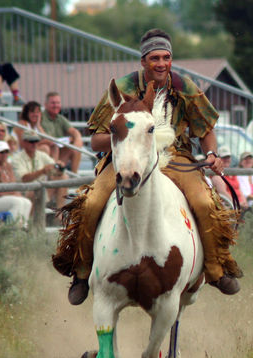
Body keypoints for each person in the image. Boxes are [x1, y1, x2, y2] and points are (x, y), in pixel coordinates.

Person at [52, 28, 242, 306]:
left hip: (175, 157)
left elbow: (206, 130)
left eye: (166, 57)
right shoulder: (123, 88)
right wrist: (123, 136)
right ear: (143, 61)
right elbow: (95, 140)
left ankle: (215, 268)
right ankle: (81, 272)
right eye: (155, 58)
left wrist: (212, 152)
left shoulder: (185, 87)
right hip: (128, 157)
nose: (162, 63)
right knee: (91, 203)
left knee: (204, 202)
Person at [11, 131, 68, 210]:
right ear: (23, 143)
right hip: (25, 192)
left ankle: (60, 213)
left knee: (63, 177)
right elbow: (24, 179)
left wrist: (60, 168)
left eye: (36, 141)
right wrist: (42, 171)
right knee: (35, 191)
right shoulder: (17, 159)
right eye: (31, 141)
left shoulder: (41, 155)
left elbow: (55, 169)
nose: (34, 144)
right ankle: (31, 221)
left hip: (42, 190)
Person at [0, 140, 32, 226]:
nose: (4, 154)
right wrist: (13, 193)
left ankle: (23, 229)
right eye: (1, 152)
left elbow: (14, 185)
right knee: (17, 202)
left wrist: (14, 193)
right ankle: (12, 230)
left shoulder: (8, 165)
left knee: (27, 202)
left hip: (4, 196)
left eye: (6, 152)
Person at [40, 92, 83, 173]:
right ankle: (54, 173)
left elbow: (74, 131)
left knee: (76, 146)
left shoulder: (60, 118)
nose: (56, 105)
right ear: (45, 105)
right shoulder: (40, 117)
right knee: (51, 146)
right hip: (47, 150)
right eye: (53, 103)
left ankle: (74, 177)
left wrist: (77, 140)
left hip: (58, 149)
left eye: (58, 103)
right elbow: (42, 137)